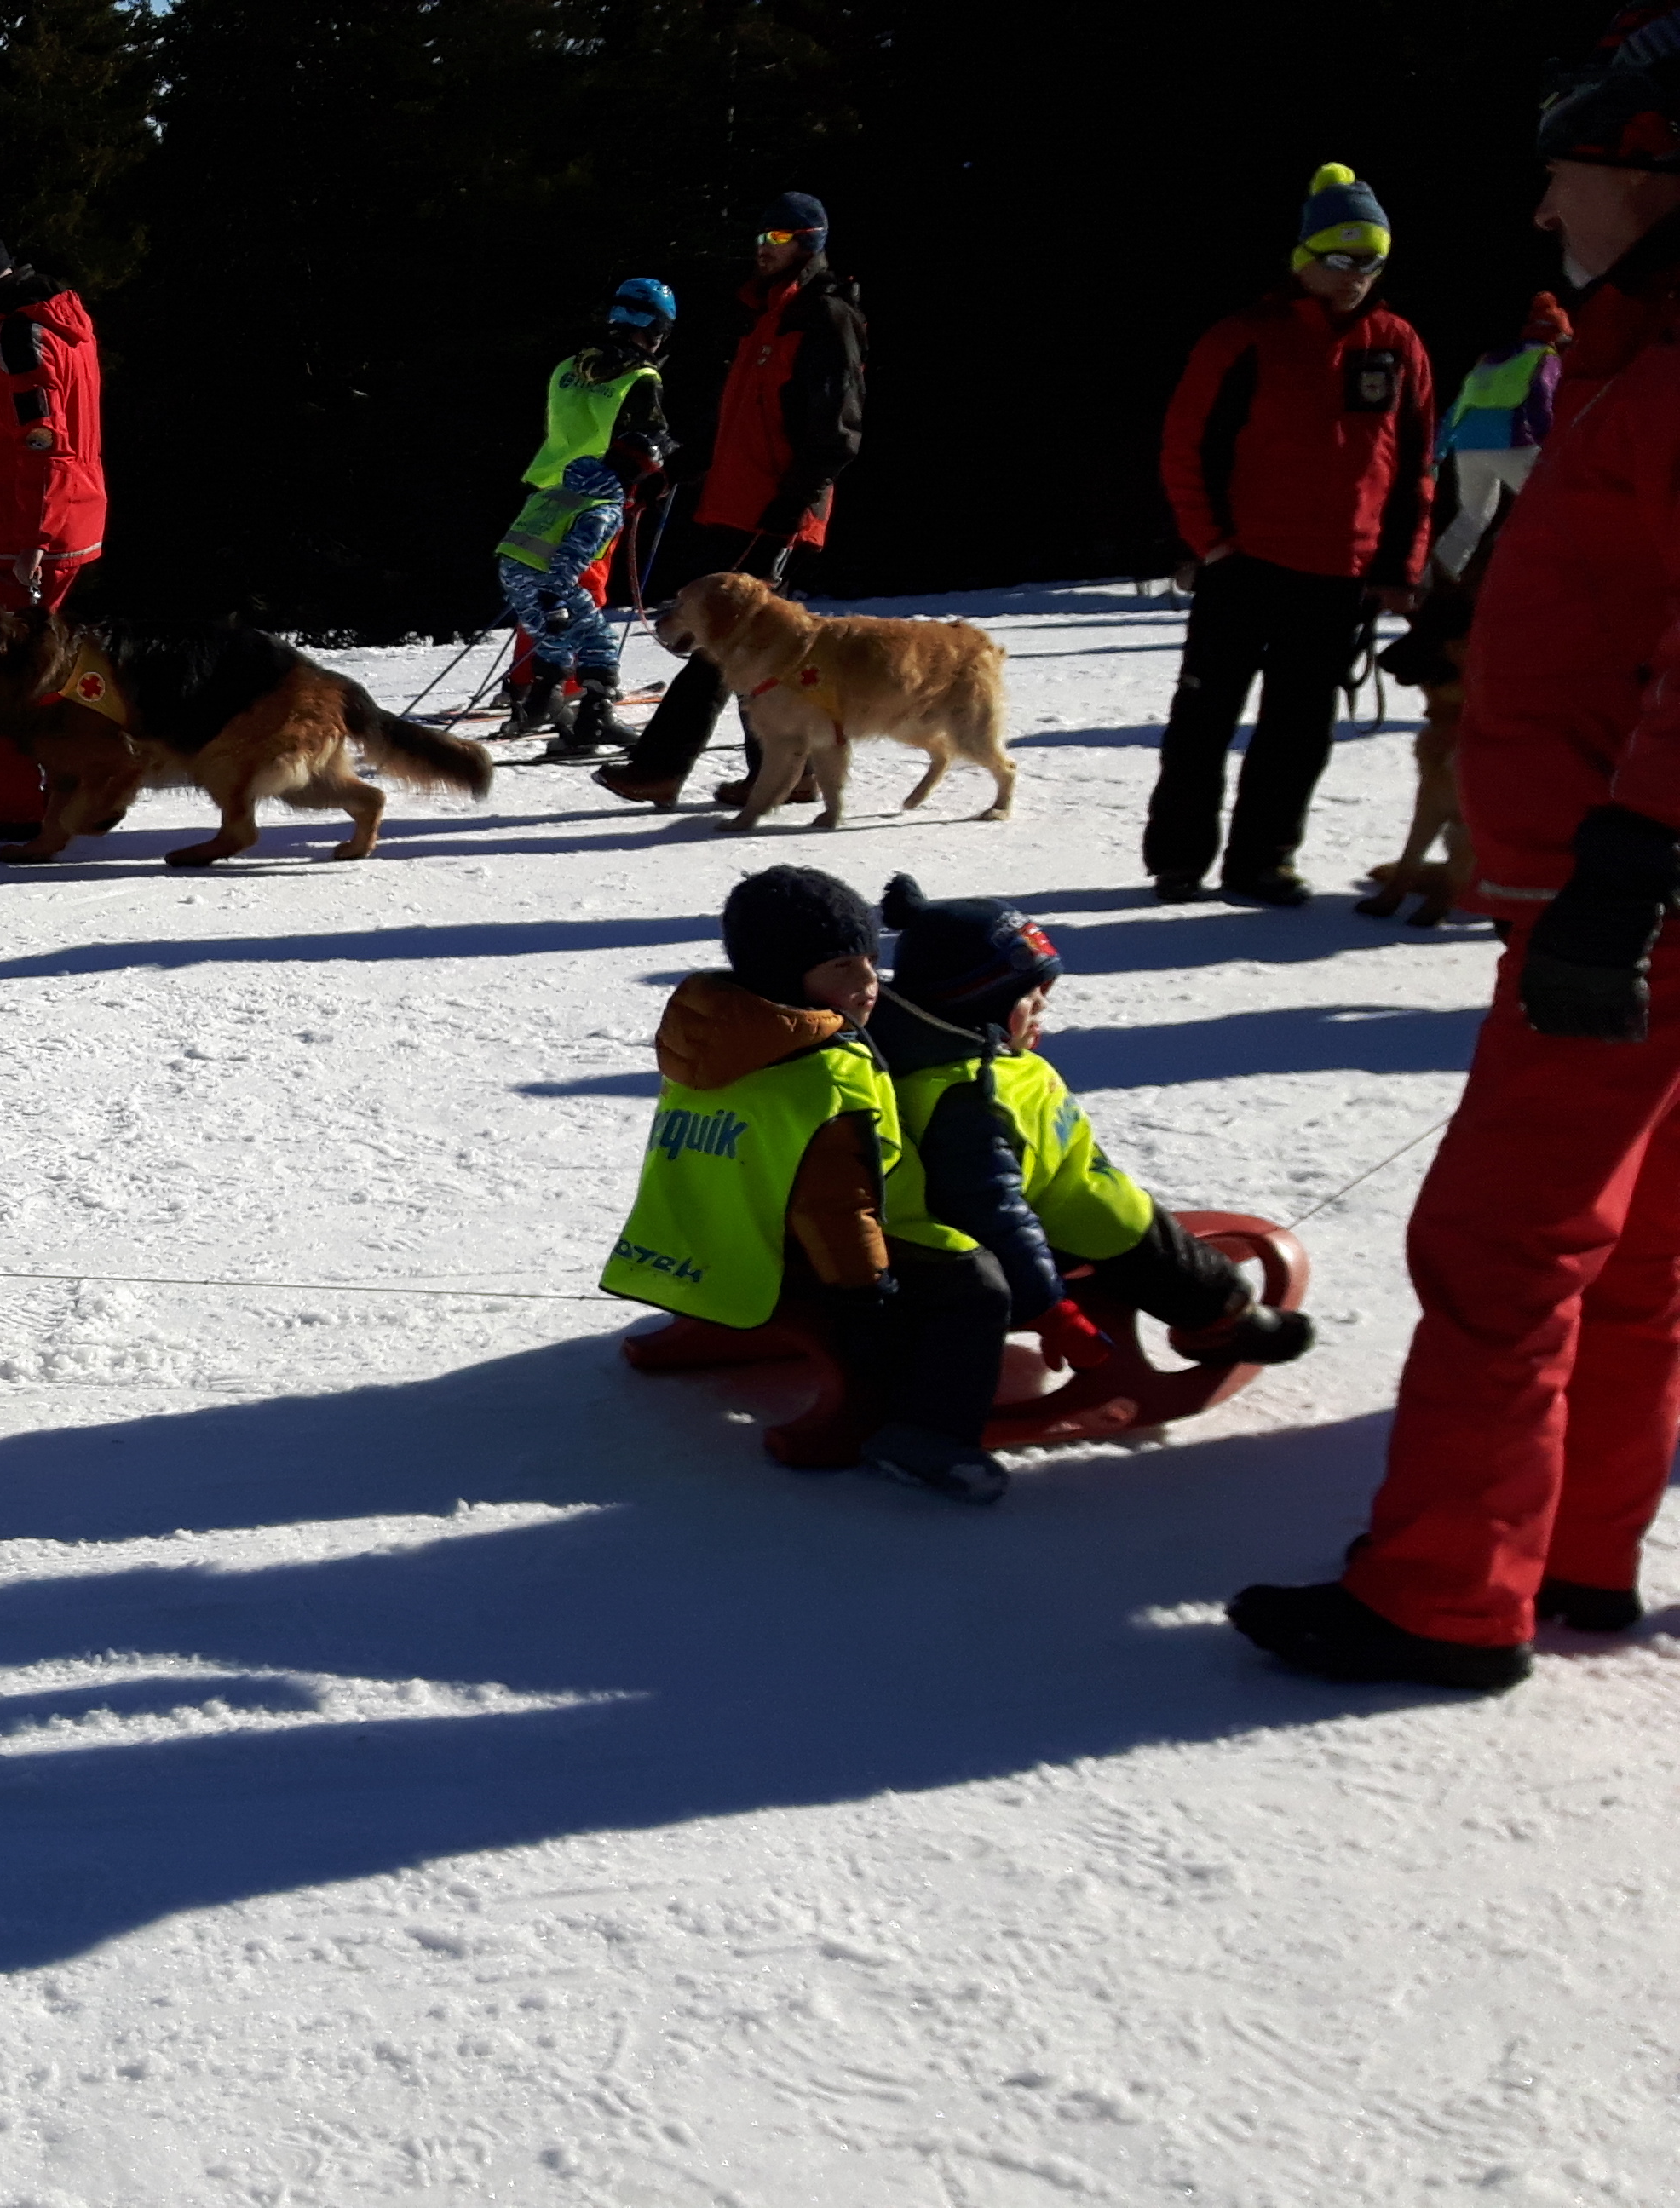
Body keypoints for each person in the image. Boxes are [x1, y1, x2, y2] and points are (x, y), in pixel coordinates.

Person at [1232, 9, 1680, 1692]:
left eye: (1564, 174)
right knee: (1630, 1244)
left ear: (1653, 171)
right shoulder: (1639, 363)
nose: (1544, 214)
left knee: (1503, 1245)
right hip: (1623, 880)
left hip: (1625, 896)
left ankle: (1441, 1594)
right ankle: (1574, 1556)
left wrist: (1633, 853)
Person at [599, 866, 1012, 1503]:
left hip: (700, 1241)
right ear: (786, 971)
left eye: (873, 961)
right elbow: (837, 1205)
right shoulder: (826, 1072)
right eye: (844, 967)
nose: (870, 983)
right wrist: (865, 1294)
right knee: (977, 1282)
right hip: (800, 1259)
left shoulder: (712, 1029)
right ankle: (929, 1437)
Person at [866, 875, 1316, 1371]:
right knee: (1164, 1257)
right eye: (1029, 996)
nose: (1044, 1006)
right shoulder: (965, 1100)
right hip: (1067, 1223)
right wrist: (1049, 1309)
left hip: (1077, 1192)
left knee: (1147, 1229)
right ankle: (1222, 1325)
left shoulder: (985, 1060)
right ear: (975, 1004)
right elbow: (993, 1213)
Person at [1136, 164, 1435, 908]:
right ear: (1305, 258)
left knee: (1299, 731)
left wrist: (1400, 565)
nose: (1356, 276)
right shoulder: (1244, 338)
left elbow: (1417, 465)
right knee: (1205, 717)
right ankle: (1178, 861)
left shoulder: (1397, 344)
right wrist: (1209, 542)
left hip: (1340, 572)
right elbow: (1184, 446)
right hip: (1243, 562)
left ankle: (1263, 861)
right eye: (1341, 258)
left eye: (1371, 260)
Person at [593, 193, 867, 810]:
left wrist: (792, 504)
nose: (763, 247)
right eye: (761, 236)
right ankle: (787, 773)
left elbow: (838, 432)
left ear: (809, 242)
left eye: (778, 236)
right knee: (746, 647)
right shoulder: (767, 318)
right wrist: (676, 470)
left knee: (724, 641)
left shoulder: (825, 318)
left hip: (776, 509)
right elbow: (737, 424)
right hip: (734, 502)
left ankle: (661, 768)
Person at [0, 224, 108, 844]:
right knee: (55, 673)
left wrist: (36, 533)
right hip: (62, 522)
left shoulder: (17, 338)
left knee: (0, 676)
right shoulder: (51, 325)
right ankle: (85, 790)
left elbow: (42, 440)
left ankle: (16, 804)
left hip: (27, 538)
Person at [495, 278, 678, 757]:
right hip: (594, 499)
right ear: (657, 330)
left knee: (540, 590)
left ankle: (535, 685)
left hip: (546, 490)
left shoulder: (567, 367)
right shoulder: (639, 377)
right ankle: (583, 691)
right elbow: (646, 441)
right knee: (583, 592)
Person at [1435, 290, 1571, 582]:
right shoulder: (1544, 358)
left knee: (1473, 516)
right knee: (1548, 509)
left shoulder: (1491, 360)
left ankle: (1432, 580)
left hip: (1467, 444)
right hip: (1511, 441)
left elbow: (1459, 405)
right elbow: (1541, 400)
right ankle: (1533, 577)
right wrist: (1548, 442)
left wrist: (1438, 448)